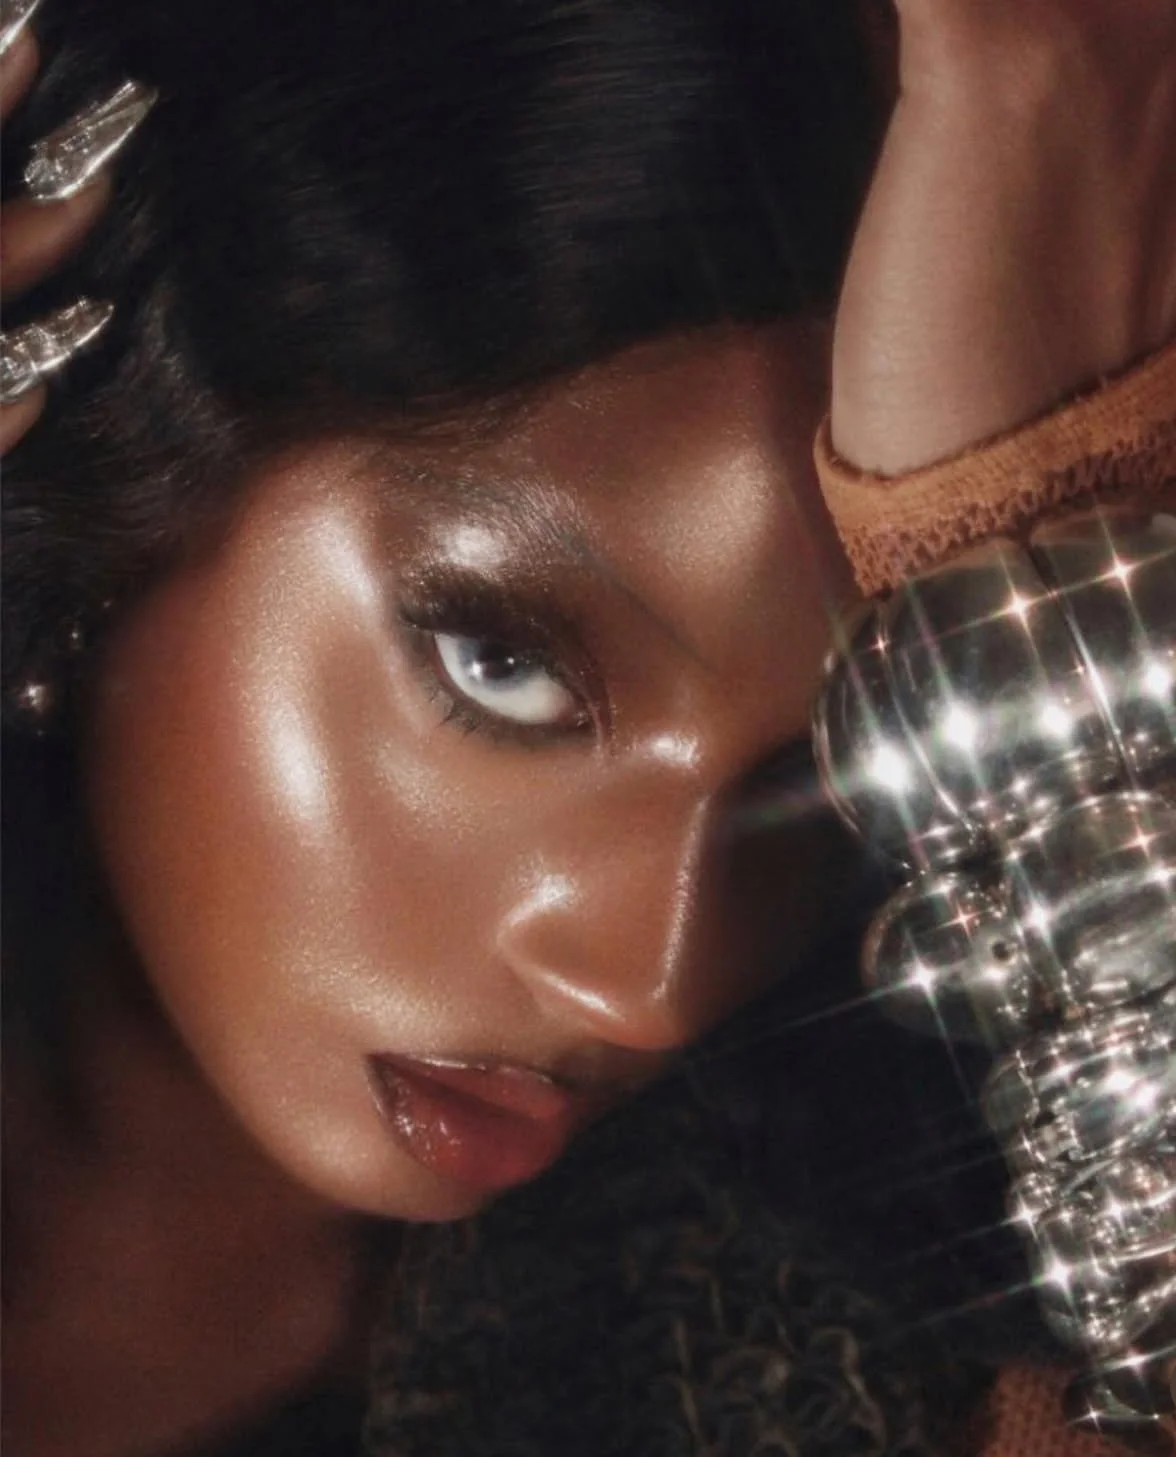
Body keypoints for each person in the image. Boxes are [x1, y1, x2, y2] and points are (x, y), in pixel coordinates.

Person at [3, 2, 1173, 1457]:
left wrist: (1041, 566)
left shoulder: (881, 1368)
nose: (650, 982)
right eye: (503, 667)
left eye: (823, 782)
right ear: (114, 471)